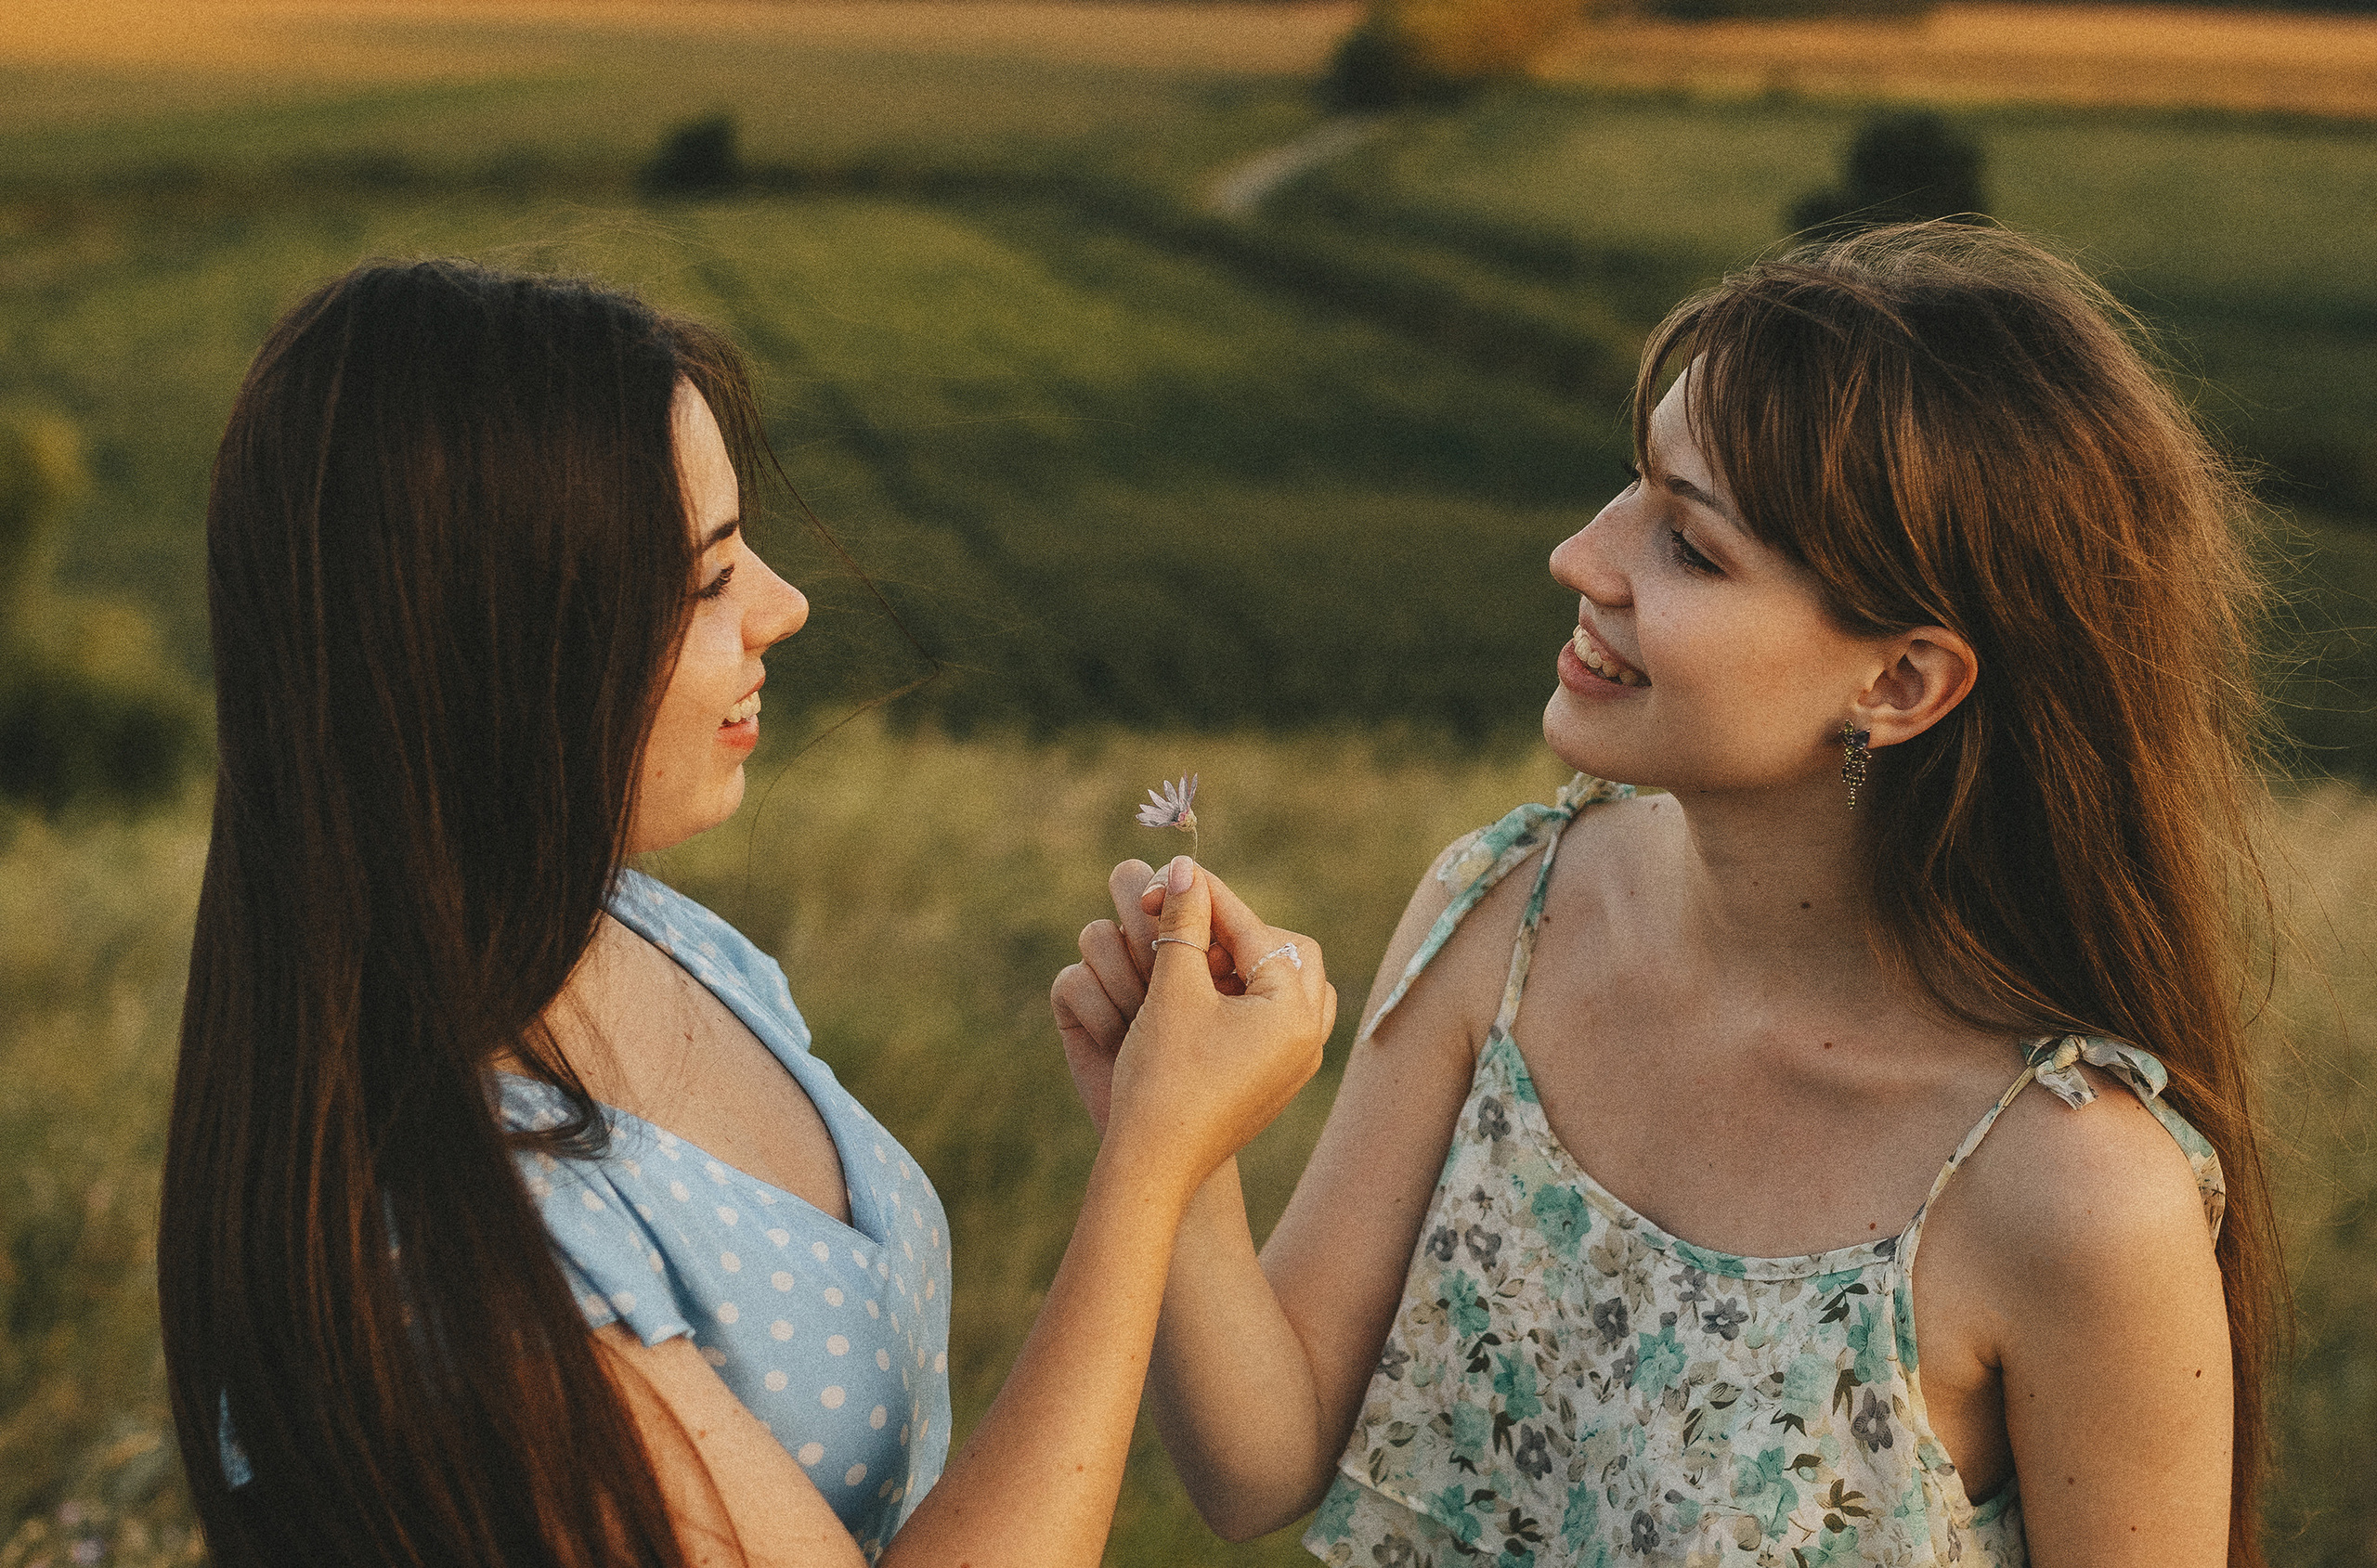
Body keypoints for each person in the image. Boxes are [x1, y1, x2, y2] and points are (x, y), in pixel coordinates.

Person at [1054, 223, 2280, 1568]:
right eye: (1630, 489)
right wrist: (1170, 1142)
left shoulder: (2077, 1188)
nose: (1582, 557)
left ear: (1900, 684)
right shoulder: (1502, 910)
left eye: (1691, 547)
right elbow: (1255, 1460)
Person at [158, 257, 1336, 1568]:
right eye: (709, 577)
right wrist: (1149, 1166)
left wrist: (1158, 1131)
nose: (787, 604)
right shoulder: (444, 1256)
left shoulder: (644, 937)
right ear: (509, 644)